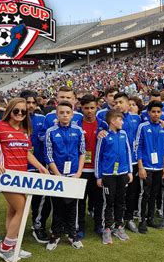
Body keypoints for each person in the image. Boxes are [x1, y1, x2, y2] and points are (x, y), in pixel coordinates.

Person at [0, 98, 48, 262]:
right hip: (6, 176)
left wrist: (40, 166)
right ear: (9, 110)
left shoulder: (25, 130)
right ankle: (4, 247)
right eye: (16, 110)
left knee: (13, 211)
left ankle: (13, 246)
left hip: (21, 176)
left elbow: (27, 152)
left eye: (23, 112)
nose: (20, 114)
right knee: (22, 209)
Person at [45, 101, 86, 250]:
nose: (64, 115)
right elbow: (48, 156)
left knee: (72, 207)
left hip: (74, 175)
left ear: (72, 114)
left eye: (67, 112)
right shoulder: (50, 131)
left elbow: (82, 152)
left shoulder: (78, 130)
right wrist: (57, 174)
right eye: (61, 112)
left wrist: (79, 172)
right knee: (57, 207)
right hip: (57, 175)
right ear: (57, 114)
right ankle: (55, 234)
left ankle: (72, 235)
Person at [95, 110, 133, 244]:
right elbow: (98, 157)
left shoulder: (123, 134)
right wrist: (98, 176)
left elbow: (128, 153)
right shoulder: (103, 136)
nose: (122, 122)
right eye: (120, 120)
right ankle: (107, 229)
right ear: (112, 121)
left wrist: (130, 171)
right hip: (108, 175)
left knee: (120, 201)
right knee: (108, 202)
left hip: (122, 174)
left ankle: (118, 227)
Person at [19, 90, 50, 243]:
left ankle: (38, 226)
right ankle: (15, 230)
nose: (30, 105)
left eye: (33, 102)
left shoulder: (42, 119)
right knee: (18, 202)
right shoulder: (15, 119)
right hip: (18, 167)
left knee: (40, 200)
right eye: (27, 102)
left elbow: (46, 138)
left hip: (38, 166)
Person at [135, 101, 164, 233]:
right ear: (148, 113)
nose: (156, 114)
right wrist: (141, 167)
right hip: (146, 167)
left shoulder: (163, 127)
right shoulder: (143, 127)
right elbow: (138, 147)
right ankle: (141, 220)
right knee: (145, 193)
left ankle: (150, 218)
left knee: (154, 194)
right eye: (153, 111)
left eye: (158, 112)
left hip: (159, 167)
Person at [113, 93, 141, 233]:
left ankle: (129, 218)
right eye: (115, 102)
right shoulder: (110, 119)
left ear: (127, 103)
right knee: (117, 194)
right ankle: (115, 220)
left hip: (133, 162)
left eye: (120, 102)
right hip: (116, 164)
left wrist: (162, 122)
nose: (117, 105)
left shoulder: (137, 118)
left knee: (132, 192)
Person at [79, 94, 103, 237]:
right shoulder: (76, 124)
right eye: (86, 108)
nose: (89, 111)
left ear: (96, 108)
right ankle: (80, 227)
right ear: (81, 108)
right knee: (81, 200)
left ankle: (98, 225)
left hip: (98, 170)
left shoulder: (103, 124)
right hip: (81, 169)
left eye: (92, 108)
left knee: (99, 200)